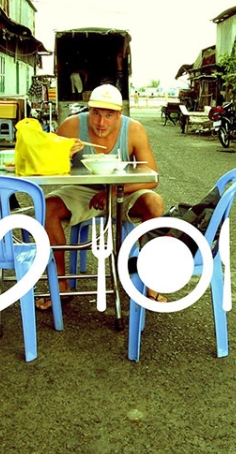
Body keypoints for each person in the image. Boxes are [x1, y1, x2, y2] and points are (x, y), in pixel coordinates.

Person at [39, 84, 165, 309]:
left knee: (154, 203)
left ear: (119, 114)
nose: (101, 122)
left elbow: (151, 177)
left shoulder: (133, 130)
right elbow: (43, 164)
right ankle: (61, 284)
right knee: (47, 207)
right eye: (96, 113)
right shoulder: (71, 126)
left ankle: (151, 282)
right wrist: (61, 154)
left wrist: (114, 191)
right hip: (82, 191)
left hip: (122, 189)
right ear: (89, 110)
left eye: (109, 115)